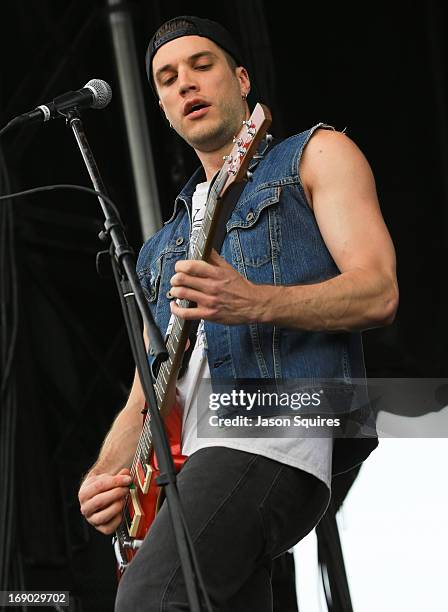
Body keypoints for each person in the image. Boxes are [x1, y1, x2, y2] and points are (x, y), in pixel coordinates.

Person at [78, 15, 398, 612]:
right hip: (197, 465)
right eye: (168, 79)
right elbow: (147, 388)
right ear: (164, 109)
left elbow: (378, 291)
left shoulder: (315, 154)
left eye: (203, 66)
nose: (186, 84)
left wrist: (254, 301)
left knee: (149, 598)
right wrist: (107, 474)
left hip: (275, 431)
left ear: (242, 79)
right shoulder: (157, 249)